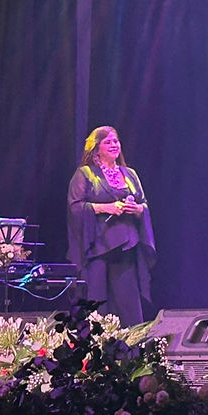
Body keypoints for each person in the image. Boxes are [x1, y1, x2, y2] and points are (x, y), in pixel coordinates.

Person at [67, 126, 156, 326]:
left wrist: (138, 209)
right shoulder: (86, 174)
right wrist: (105, 207)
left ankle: (131, 350)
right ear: (96, 148)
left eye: (116, 141)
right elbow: (75, 207)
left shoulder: (130, 174)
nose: (114, 145)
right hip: (98, 248)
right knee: (97, 303)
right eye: (108, 142)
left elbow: (144, 204)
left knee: (129, 304)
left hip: (126, 247)